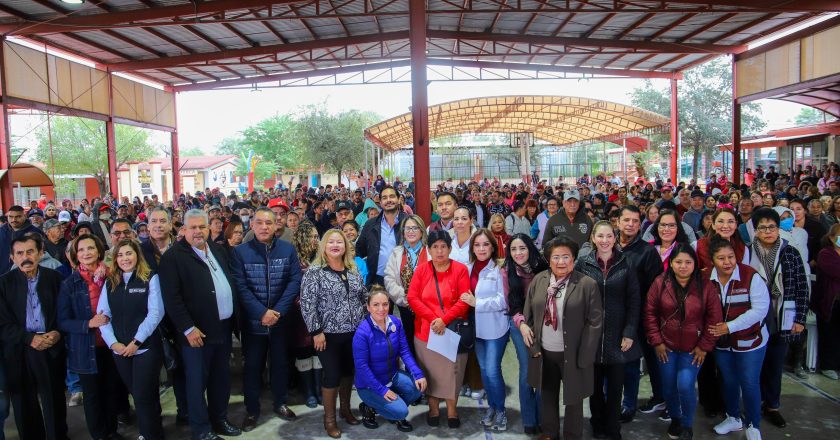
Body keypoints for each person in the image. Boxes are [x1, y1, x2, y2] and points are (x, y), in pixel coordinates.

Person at [159, 209, 242, 440]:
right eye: (193, 227)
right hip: (195, 333)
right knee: (196, 384)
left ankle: (220, 419)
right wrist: (187, 328)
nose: (198, 232)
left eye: (202, 227)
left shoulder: (216, 249)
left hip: (222, 328)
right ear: (183, 229)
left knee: (220, 379)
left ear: (208, 228)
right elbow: (171, 298)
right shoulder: (173, 257)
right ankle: (201, 430)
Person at [520, 237, 602, 440]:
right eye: (556, 257)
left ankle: (573, 435)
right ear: (549, 260)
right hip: (545, 351)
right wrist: (533, 346)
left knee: (574, 398)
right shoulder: (539, 281)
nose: (561, 262)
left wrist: (584, 355)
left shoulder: (586, 284)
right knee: (547, 394)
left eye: (566, 256)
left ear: (574, 259)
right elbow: (528, 316)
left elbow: (595, 323)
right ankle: (550, 433)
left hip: (573, 354)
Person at [230, 207, 302, 432]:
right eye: (259, 223)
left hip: (280, 321)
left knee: (280, 364)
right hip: (253, 323)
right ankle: (252, 410)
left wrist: (277, 311)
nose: (264, 227)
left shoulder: (288, 250)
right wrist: (262, 313)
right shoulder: (240, 252)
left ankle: (280, 403)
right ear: (251, 225)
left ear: (276, 226)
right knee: (252, 367)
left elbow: (294, 281)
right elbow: (240, 287)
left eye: (268, 223)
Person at [644, 244, 722, 440]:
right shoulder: (660, 283)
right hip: (666, 347)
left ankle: (687, 424)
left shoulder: (705, 286)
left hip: (693, 349)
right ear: (671, 263)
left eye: (688, 262)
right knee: (669, 387)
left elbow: (714, 318)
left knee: (685, 385)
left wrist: (704, 346)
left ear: (695, 264)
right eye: (678, 262)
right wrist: (657, 341)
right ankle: (676, 418)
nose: (683, 266)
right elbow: (650, 313)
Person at [575, 221, 641, 440]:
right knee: (593, 389)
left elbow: (634, 300)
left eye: (609, 236)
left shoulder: (626, 263)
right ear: (592, 238)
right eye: (600, 236)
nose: (604, 241)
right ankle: (597, 424)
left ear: (615, 238)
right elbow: (575, 301)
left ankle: (613, 427)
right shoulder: (583, 264)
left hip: (618, 337)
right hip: (591, 337)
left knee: (615, 389)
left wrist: (629, 331)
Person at [300, 229, 368, 438]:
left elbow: (362, 296)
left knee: (349, 372)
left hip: (354, 332)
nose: (336, 245)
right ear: (324, 246)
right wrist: (316, 331)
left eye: (340, 242)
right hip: (327, 335)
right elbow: (307, 303)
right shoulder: (315, 271)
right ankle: (329, 420)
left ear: (346, 246)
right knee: (332, 374)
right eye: (331, 242)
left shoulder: (353, 269)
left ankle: (346, 410)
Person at [96, 238, 165, 440]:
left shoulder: (150, 278)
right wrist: (113, 343)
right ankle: (153, 432)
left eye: (129, 253)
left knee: (143, 396)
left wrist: (136, 342)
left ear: (137, 255)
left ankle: (149, 434)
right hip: (120, 351)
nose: (125, 258)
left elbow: (155, 314)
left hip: (145, 349)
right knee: (140, 396)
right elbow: (103, 316)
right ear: (115, 259)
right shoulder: (110, 283)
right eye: (120, 254)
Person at [0, 235, 67, 440]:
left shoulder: (55, 278)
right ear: (12, 257)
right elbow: (1, 323)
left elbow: (65, 312)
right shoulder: (3, 283)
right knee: (23, 400)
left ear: (40, 253)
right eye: (20, 253)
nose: (25, 257)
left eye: (30, 252)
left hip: (50, 344)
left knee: (54, 398)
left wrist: (57, 332)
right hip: (19, 348)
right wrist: (28, 338)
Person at [748, 207, 809, 428]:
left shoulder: (790, 252)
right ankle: (753, 404)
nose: (767, 231)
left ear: (778, 229)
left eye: (772, 227)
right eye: (762, 227)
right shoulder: (747, 253)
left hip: (783, 315)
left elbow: (802, 286)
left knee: (775, 363)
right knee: (753, 365)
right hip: (755, 317)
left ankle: (772, 405)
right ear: (755, 231)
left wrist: (800, 319)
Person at [57, 235, 123, 440]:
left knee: (112, 391)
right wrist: (88, 324)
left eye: (90, 248)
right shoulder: (70, 284)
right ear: (76, 255)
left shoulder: (113, 275)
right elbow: (63, 321)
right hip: (86, 347)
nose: (86, 253)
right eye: (81, 250)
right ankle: (100, 435)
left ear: (98, 251)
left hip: (112, 344)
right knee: (93, 396)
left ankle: (112, 431)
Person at [407, 230, 472, 429]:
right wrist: (434, 319)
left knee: (453, 373)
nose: (440, 251)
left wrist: (444, 320)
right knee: (431, 374)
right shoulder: (422, 270)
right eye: (435, 247)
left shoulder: (460, 269)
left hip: (451, 331)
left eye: (444, 246)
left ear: (450, 249)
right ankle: (433, 409)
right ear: (429, 250)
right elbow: (412, 298)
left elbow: (464, 301)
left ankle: (452, 409)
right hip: (426, 332)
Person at [707, 237, 770, 440]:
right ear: (712, 260)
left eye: (731, 257)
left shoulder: (751, 276)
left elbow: (760, 309)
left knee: (749, 382)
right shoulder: (705, 278)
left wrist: (730, 327)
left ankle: (753, 423)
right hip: (722, 344)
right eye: (721, 258)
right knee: (728, 381)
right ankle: (733, 417)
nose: (727, 262)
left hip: (751, 341)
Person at [614, 206, 665, 423]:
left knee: (634, 364)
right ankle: (610, 403)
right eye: (626, 220)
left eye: (635, 221)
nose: (631, 225)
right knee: (612, 364)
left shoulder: (647, 252)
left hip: (639, 318)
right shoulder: (608, 246)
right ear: (617, 222)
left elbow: (657, 288)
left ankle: (629, 405)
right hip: (613, 316)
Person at [353, 286, 426, 433]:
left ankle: (391, 406)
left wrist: (418, 374)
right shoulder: (362, 332)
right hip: (369, 385)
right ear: (368, 307)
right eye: (376, 305)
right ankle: (369, 407)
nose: (381, 309)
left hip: (392, 376)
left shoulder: (395, 323)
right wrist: (381, 390)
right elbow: (362, 368)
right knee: (401, 412)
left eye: (385, 304)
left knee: (419, 388)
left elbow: (404, 351)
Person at [461, 229, 509, 431]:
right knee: (483, 371)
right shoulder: (467, 267)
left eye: (485, 244)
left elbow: (503, 300)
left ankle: (501, 412)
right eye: (477, 245)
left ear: (493, 246)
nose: (481, 249)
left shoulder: (500, 269)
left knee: (492, 370)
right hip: (475, 328)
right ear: (472, 248)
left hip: (495, 328)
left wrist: (477, 302)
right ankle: (492, 407)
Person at [505, 233, 548, 434]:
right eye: (513, 249)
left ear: (530, 248)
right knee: (526, 371)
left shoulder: (543, 268)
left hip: (544, 325)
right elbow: (512, 305)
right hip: (519, 325)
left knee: (542, 371)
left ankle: (544, 417)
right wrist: (522, 325)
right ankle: (529, 419)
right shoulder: (508, 272)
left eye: (522, 248)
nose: (518, 253)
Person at [383, 215, 428, 360]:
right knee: (409, 340)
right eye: (408, 228)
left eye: (415, 228)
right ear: (403, 231)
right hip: (405, 304)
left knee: (427, 342)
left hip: (427, 306)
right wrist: (406, 297)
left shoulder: (430, 251)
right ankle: (414, 374)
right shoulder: (396, 252)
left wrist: (422, 298)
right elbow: (389, 279)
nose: (411, 231)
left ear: (422, 231)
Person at [290, 221, 323, 408]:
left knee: (318, 350)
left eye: (317, 237)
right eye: (312, 236)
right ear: (302, 238)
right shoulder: (294, 260)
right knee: (303, 350)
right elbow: (292, 288)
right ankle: (309, 391)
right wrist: (305, 305)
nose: (315, 240)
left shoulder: (321, 258)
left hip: (320, 315)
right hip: (300, 315)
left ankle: (319, 390)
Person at [356, 186, 407, 287]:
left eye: (392, 196)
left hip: (403, 280)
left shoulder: (409, 222)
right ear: (380, 201)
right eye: (384, 197)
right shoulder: (370, 224)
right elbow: (359, 250)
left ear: (398, 199)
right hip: (377, 281)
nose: (388, 200)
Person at [813, 224, 840, 380]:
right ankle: (828, 365)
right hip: (830, 301)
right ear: (831, 237)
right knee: (830, 334)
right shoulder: (826, 254)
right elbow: (836, 272)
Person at [0, 205, 44, 274]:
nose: (14, 220)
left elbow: (41, 255)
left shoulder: (36, 233)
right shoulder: (1, 231)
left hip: (27, 274)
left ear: (25, 216)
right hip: (2, 275)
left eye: (18, 217)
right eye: (10, 217)